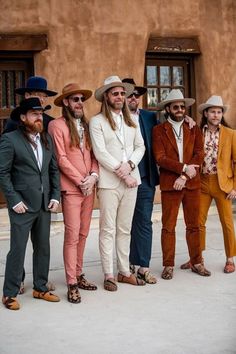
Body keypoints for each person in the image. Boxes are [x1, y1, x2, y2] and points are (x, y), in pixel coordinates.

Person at [0, 98, 61, 310]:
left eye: (41, 113)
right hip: (22, 205)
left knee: (43, 248)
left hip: (44, 204)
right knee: (17, 248)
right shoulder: (10, 140)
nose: (39, 117)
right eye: (34, 114)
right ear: (23, 117)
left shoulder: (46, 139)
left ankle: (40, 287)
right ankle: (9, 293)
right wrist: (14, 199)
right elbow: (3, 173)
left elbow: (53, 169)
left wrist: (55, 196)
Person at [89, 75, 146, 291]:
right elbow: (100, 152)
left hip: (132, 181)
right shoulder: (97, 122)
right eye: (115, 93)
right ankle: (109, 274)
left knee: (125, 229)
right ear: (106, 97)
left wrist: (130, 165)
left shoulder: (132, 120)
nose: (120, 97)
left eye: (123, 93)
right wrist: (123, 172)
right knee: (107, 229)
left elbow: (140, 147)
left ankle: (124, 271)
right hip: (109, 183)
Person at [152, 89, 211, 280]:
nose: (180, 109)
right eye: (175, 106)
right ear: (168, 108)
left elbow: (200, 153)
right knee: (168, 226)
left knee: (194, 225)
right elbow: (160, 158)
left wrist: (184, 176)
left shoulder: (193, 128)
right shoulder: (159, 130)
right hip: (170, 185)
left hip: (191, 184)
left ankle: (197, 262)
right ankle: (168, 265)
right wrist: (184, 168)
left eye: (182, 106)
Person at [48, 83, 99, 303]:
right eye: (75, 99)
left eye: (81, 99)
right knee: (72, 234)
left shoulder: (87, 126)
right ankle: (71, 282)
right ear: (66, 102)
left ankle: (79, 273)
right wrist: (81, 181)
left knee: (84, 233)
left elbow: (95, 156)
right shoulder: (57, 126)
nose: (79, 103)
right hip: (71, 189)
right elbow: (61, 159)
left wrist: (93, 177)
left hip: (90, 186)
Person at [181, 95, 236, 273]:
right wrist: (186, 119)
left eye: (219, 112)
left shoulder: (231, 134)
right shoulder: (197, 131)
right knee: (198, 222)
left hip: (223, 184)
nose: (216, 115)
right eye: (212, 111)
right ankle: (197, 259)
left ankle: (230, 259)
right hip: (202, 182)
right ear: (205, 113)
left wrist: (235, 187)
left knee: (227, 222)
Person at [122, 78, 159, 284]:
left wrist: (188, 121)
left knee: (144, 222)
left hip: (145, 178)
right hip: (121, 178)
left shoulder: (149, 117)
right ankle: (125, 264)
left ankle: (143, 266)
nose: (133, 97)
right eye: (129, 94)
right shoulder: (113, 118)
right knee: (124, 223)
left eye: (137, 94)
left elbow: (168, 133)